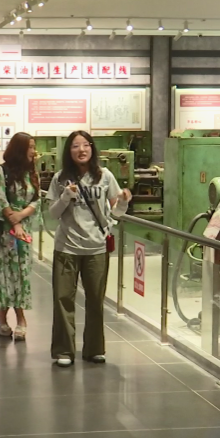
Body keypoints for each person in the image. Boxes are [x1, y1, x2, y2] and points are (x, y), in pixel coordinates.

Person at [47, 131, 132, 366]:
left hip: (96, 248)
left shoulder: (104, 176)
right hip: (67, 247)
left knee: (95, 300)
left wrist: (123, 202)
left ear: (92, 149)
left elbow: (115, 212)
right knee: (63, 300)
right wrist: (65, 196)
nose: (81, 150)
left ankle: (94, 348)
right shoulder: (60, 178)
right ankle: (64, 351)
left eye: (86, 145)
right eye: (75, 146)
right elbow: (53, 213)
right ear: (69, 151)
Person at [0, 133, 40, 342]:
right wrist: (14, 222)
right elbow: (0, 200)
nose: (34, 151)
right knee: (8, 274)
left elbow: (37, 199)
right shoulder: (1, 171)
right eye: (30, 147)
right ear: (20, 149)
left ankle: (1, 314)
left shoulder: (31, 171)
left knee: (22, 273)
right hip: (7, 231)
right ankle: (20, 318)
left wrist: (22, 216)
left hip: (24, 230)